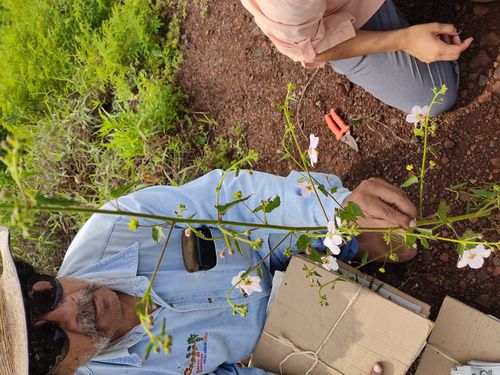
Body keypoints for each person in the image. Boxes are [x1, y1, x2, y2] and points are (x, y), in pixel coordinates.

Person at [0, 169, 418, 374]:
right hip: (279, 346)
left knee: (399, 241)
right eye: (53, 340)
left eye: (45, 294)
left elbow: (234, 200)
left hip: (263, 249)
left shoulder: (115, 226)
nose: (76, 306)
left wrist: (332, 211)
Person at [240, 0, 474, 115]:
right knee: (432, 94)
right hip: (344, 11)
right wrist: (405, 40)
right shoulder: (286, 3)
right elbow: (315, 47)